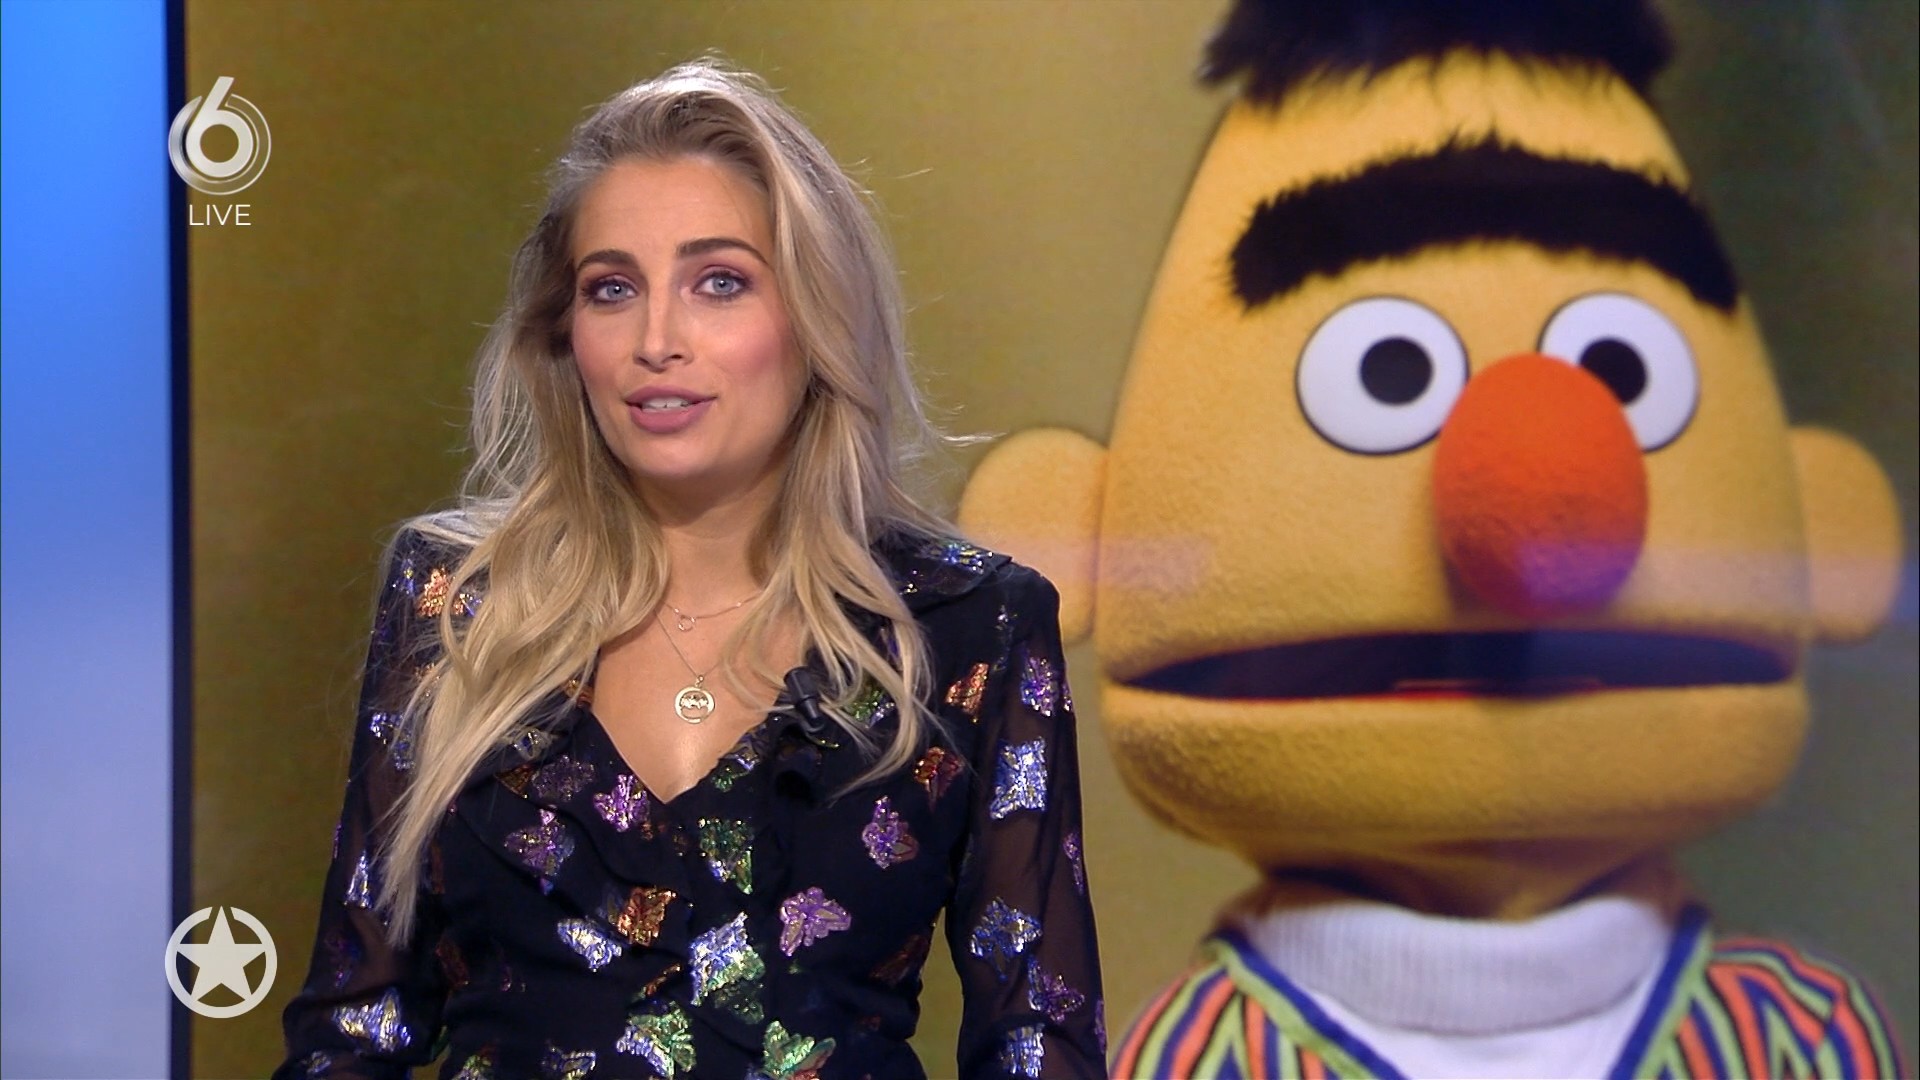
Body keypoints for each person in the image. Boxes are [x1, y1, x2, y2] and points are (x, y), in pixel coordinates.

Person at [273, 59, 1105, 1080]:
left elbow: (1039, 1041)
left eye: (719, 283)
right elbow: (353, 1033)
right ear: (565, 332)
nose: (656, 340)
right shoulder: (456, 600)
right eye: (612, 289)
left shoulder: (968, 625)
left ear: (815, 315)